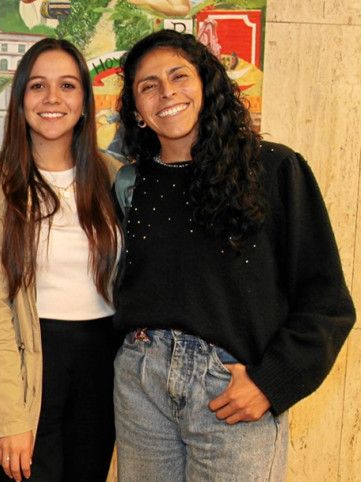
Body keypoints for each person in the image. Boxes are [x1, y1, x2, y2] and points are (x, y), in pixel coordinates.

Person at [113, 29, 355, 480]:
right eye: (148, 85)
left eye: (179, 76)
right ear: (137, 112)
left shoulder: (273, 168)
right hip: (141, 387)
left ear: (206, 85)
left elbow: (327, 301)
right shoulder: (131, 184)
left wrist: (271, 382)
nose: (166, 92)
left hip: (230, 392)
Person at [0, 37, 122, 482]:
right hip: (27, 363)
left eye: (67, 85)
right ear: (20, 101)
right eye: (37, 86)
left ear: (85, 102)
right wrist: (7, 416)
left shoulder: (114, 178)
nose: (52, 98)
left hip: (101, 367)